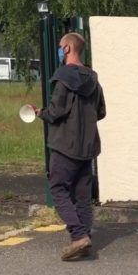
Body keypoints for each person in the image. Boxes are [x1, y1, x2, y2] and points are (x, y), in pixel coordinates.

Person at [35, 32, 107, 261]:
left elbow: (56, 111)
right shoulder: (93, 79)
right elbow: (101, 111)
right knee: (82, 195)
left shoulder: (63, 76)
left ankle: (78, 236)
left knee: (58, 188)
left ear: (66, 48)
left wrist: (40, 113)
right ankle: (85, 237)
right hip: (88, 146)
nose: (59, 50)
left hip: (65, 144)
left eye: (59, 47)